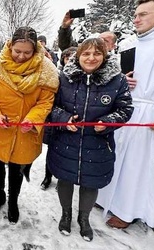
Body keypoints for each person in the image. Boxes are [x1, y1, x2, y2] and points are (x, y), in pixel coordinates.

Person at [46, 38, 133, 241]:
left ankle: (84, 219)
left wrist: (108, 121)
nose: (91, 58)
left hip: (98, 144)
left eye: (97, 53)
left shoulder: (117, 80)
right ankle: (66, 214)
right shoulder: (64, 77)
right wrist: (63, 118)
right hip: (66, 141)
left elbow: (125, 108)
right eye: (86, 53)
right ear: (78, 55)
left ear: (104, 56)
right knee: (65, 179)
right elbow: (50, 106)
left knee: (90, 183)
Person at [0, 27, 59, 224]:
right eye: (17, 52)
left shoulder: (46, 69)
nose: (21, 57)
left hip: (26, 130)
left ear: (36, 50)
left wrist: (33, 119)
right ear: (10, 46)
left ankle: (13, 200)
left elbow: (46, 101)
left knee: (17, 170)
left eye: (27, 52)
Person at [96, 0, 154, 236]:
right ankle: (109, 199)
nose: (136, 19)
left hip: (149, 114)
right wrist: (122, 79)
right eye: (135, 15)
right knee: (119, 155)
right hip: (126, 108)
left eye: (143, 14)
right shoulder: (131, 45)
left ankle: (128, 209)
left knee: (138, 165)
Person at [40, 46, 77, 191]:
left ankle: (63, 179)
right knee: (52, 151)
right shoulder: (56, 74)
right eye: (68, 58)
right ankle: (47, 176)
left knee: (67, 154)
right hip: (55, 120)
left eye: (73, 58)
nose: (70, 61)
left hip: (73, 121)